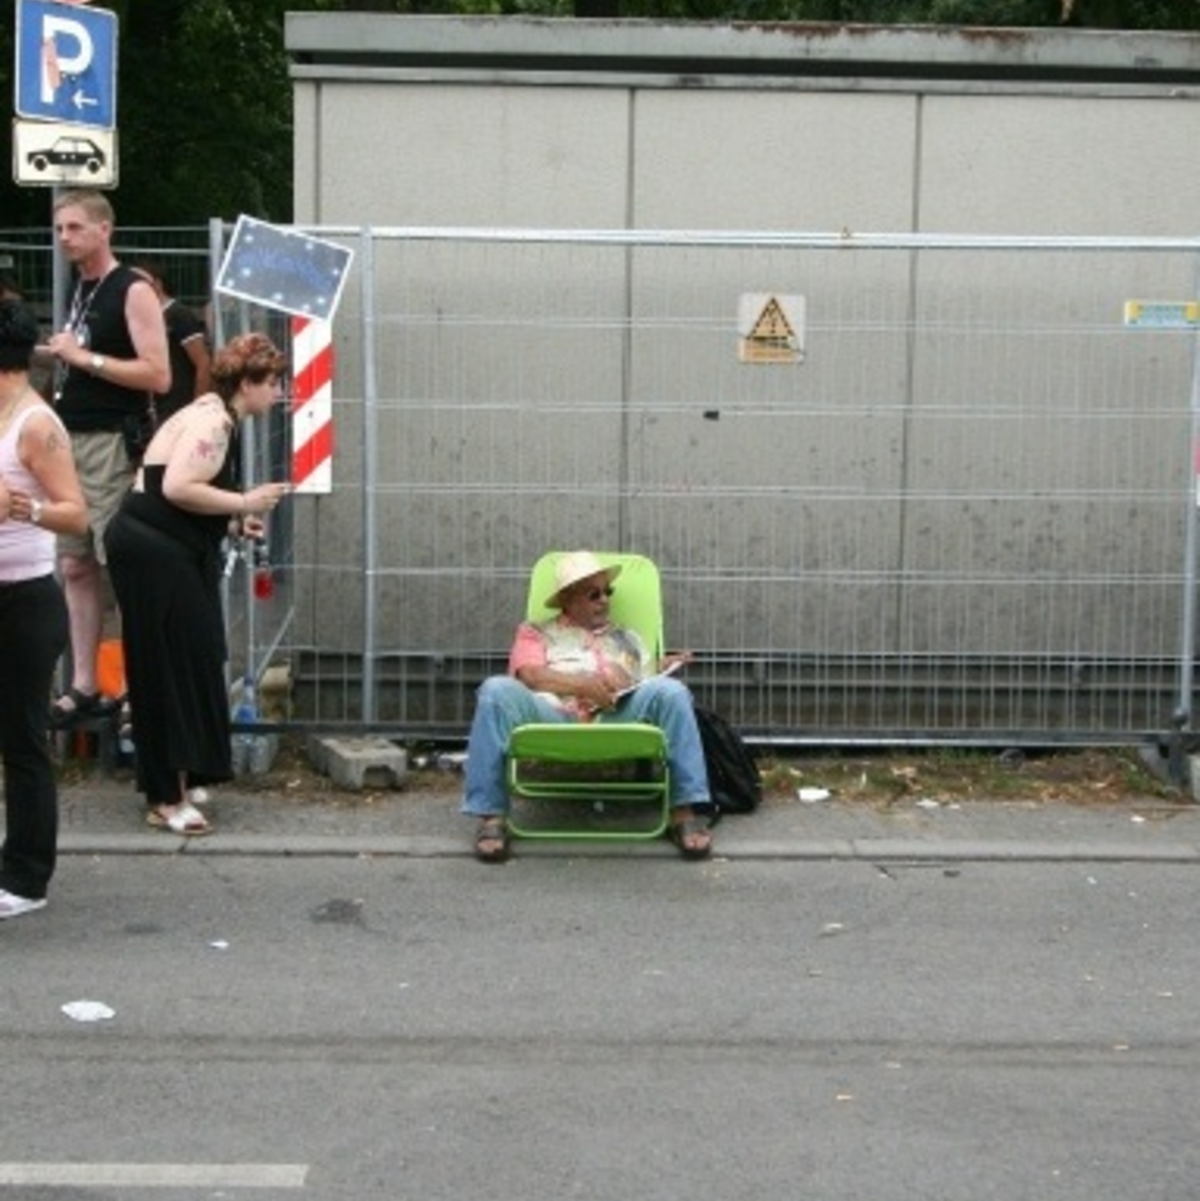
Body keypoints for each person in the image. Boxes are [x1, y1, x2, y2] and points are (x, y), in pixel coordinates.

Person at [104, 333, 291, 836]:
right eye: (272, 383)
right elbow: (178, 487)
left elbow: (175, 493)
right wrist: (244, 503)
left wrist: (230, 522)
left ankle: (184, 775)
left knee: (193, 657)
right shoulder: (213, 422)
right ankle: (167, 795)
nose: (276, 394)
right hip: (153, 554)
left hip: (157, 545)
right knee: (172, 666)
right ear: (247, 383)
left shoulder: (208, 411)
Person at [461, 550, 714, 863]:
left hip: (617, 715)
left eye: (608, 591)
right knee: (495, 690)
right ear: (568, 598)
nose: (604, 600)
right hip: (552, 716)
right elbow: (529, 675)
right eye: (594, 594)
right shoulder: (536, 632)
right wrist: (583, 685)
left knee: (673, 693)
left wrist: (663, 667)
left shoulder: (626, 637)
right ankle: (491, 818)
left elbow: (645, 683)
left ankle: (683, 812)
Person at [43, 189, 170, 731]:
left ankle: (140, 688)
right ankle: (85, 683)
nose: (65, 238)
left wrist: (83, 358)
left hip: (109, 443)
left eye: (74, 227)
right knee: (74, 564)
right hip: (70, 440)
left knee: (119, 566)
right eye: (59, 229)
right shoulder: (83, 287)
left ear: (103, 229)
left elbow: (157, 376)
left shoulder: (132, 290)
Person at [0, 299, 88, 919]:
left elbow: (76, 512)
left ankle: (26, 877)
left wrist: (23, 509)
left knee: (21, 740)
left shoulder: (36, 424)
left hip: (23, 604)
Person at [129, 259, 212, 422]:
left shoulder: (178, 314)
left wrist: (197, 409)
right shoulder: (142, 316)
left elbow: (203, 362)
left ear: (157, 284)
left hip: (177, 405)